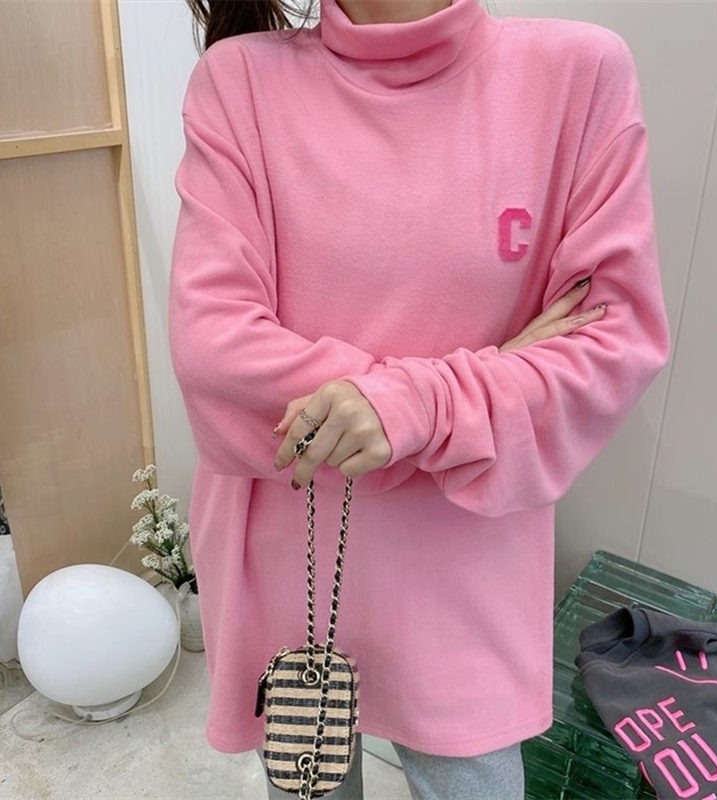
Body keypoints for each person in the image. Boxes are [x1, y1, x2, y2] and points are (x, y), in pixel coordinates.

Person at [168, 0, 671, 797]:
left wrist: (418, 404)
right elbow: (215, 350)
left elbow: (611, 343)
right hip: (285, 546)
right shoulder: (240, 81)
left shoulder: (577, 76)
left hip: (464, 561)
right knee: (309, 776)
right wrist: (486, 378)